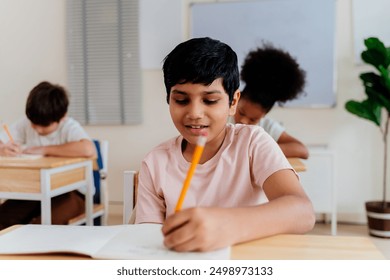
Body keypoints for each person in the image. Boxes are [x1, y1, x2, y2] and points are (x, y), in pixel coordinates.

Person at [135, 37, 315, 252]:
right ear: (169, 100)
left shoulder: (252, 142)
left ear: (233, 103)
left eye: (210, 100)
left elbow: (302, 212)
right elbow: (146, 241)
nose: (194, 113)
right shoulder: (155, 162)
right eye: (181, 100)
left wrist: (228, 225)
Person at [0, 81, 96, 230]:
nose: (36, 128)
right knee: (4, 217)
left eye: (43, 125)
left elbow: (88, 149)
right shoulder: (28, 122)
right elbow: (2, 140)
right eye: (33, 122)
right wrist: (3, 149)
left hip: (71, 193)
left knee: (44, 227)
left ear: (62, 116)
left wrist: (44, 149)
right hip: (34, 190)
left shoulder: (69, 127)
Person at [233, 44, 309, 159]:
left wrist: (260, 148)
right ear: (236, 99)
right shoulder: (223, 117)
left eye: (253, 119)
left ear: (264, 115)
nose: (243, 121)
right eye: (241, 112)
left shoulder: (266, 126)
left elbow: (302, 151)